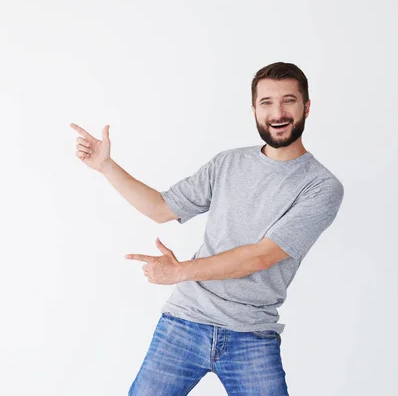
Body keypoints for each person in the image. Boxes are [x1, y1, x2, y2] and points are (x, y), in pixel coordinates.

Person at [70, 61, 344, 396]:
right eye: (266, 102)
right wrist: (106, 167)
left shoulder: (321, 186)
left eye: (288, 100)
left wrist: (180, 271)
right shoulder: (228, 163)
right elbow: (161, 208)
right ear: (255, 109)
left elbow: (261, 256)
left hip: (252, 335)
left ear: (306, 106)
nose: (278, 113)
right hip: (184, 323)